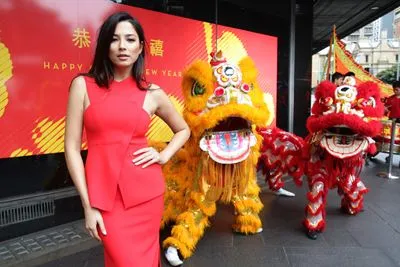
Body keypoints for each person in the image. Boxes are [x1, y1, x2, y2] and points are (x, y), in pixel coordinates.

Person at [64, 11, 190, 267]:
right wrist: (88, 206)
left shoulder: (152, 92)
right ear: (105, 46)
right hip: (104, 199)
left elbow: (183, 129)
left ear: (141, 46)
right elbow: (71, 148)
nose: (122, 46)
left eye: (130, 39)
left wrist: (163, 155)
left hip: (147, 195)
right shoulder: (82, 85)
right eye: (114, 39)